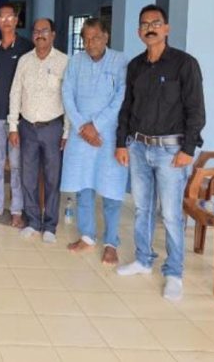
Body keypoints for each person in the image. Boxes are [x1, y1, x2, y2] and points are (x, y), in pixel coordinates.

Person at [115, 4, 205, 302]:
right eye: (144, 24)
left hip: (171, 150)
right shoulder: (136, 66)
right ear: (139, 31)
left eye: (155, 23)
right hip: (139, 147)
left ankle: (174, 272)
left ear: (166, 28)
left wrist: (188, 149)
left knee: (170, 214)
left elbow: (196, 110)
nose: (150, 28)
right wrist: (121, 143)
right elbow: (127, 108)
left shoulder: (184, 64)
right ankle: (143, 259)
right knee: (142, 208)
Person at [61, 18, 128, 265]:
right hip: (81, 136)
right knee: (83, 187)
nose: (90, 43)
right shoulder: (75, 62)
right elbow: (67, 94)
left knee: (111, 190)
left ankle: (111, 243)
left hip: (107, 136)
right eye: (86, 39)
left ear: (106, 37)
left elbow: (121, 97)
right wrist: (82, 126)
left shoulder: (120, 61)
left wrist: (96, 126)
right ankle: (87, 236)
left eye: (95, 38)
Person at [9, 18, 69, 243]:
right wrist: (13, 126)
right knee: (28, 177)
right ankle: (33, 221)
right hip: (27, 128)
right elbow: (15, 92)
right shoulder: (25, 61)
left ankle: (50, 226)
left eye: (44, 31)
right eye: (36, 31)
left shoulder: (64, 61)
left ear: (53, 34)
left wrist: (67, 131)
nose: (40, 35)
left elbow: (69, 98)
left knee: (53, 178)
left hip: (53, 128)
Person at [0, 3, 33, 227]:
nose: (6, 21)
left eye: (10, 17)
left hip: (18, 120)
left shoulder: (26, 48)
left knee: (16, 165)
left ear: (16, 20)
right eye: (1, 18)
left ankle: (16, 210)